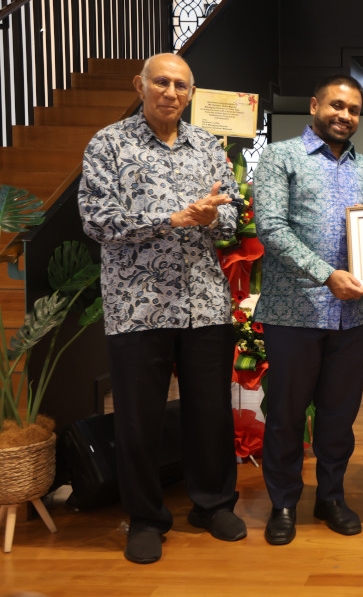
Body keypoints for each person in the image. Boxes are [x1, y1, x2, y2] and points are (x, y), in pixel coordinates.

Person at [78, 52, 246, 564]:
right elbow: (96, 219)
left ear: (191, 94)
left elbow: (233, 214)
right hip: (137, 306)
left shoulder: (208, 147)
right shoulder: (108, 143)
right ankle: (146, 518)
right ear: (141, 84)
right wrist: (170, 219)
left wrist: (209, 219)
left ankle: (213, 505)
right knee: (137, 418)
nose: (170, 92)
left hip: (204, 304)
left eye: (180, 85)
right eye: (161, 82)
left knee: (211, 414)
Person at [254, 75, 363, 546]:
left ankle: (331, 496)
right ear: (314, 105)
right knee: (286, 414)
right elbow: (269, 226)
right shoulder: (280, 157)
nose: (344, 115)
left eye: (352, 109)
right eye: (336, 105)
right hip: (295, 311)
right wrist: (325, 273)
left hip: (354, 316)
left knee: (338, 415)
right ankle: (283, 502)